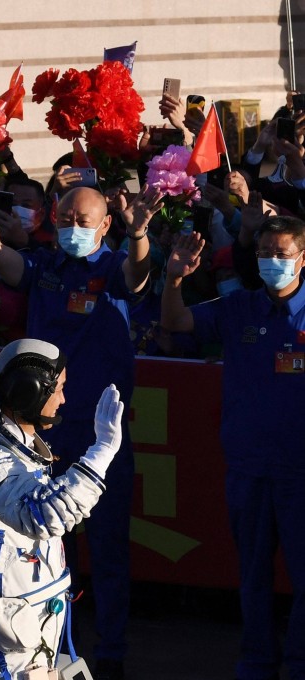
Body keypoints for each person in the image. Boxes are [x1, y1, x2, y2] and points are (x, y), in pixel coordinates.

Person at [0, 168, 161, 678]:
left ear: (104, 224)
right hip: (41, 433)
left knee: (106, 548)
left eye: (81, 219)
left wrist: (139, 232)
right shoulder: (46, 265)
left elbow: (138, 274)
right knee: (45, 544)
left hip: (98, 432)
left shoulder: (112, 266)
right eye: (63, 217)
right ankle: (57, 645)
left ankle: (110, 653)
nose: (70, 226)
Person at [161, 219, 305, 680]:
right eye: (265, 252)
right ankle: (257, 661)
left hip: (300, 473)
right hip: (249, 468)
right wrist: (174, 279)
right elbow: (176, 322)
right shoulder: (240, 306)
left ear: (302, 258)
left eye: (282, 253)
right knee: (254, 578)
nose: (272, 262)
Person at [0, 339, 124, 679]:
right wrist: (102, 453)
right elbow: (42, 515)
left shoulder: (11, 451)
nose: (64, 399)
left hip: (19, 641)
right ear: (30, 393)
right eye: (60, 389)